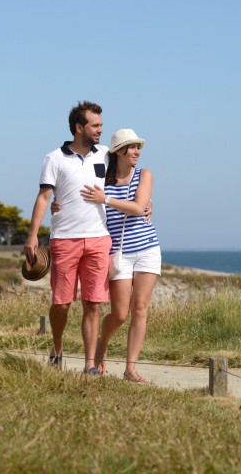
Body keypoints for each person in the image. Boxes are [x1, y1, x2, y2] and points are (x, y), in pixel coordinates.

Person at [24, 101, 112, 375]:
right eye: (95, 125)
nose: (100, 129)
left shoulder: (107, 155)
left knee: (92, 303)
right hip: (64, 239)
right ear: (79, 127)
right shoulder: (54, 158)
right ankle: (58, 348)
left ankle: (89, 366)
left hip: (99, 239)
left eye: (100, 124)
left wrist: (148, 203)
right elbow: (44, 197)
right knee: (61, 302)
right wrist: (33, 235)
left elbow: (129, 179)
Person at [81, 129, 160, 382]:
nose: (137, 152)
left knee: (140, 309)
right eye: (131, 147)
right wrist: (57, 205)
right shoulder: (102, 181)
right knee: (120, 314)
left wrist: (108, 200)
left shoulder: (144, 174)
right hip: (118, 253)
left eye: (139, 147)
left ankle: (130, 368)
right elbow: (80, 198)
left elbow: (139, 207)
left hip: (147, 248)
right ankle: (102, 344)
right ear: (118, 152)